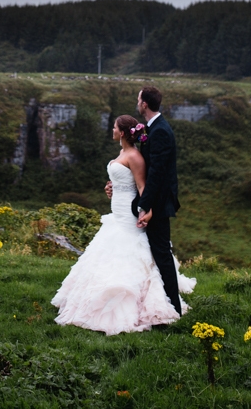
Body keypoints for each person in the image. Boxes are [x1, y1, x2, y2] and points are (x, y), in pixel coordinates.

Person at [51, 113, 195, 335]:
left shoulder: (135, 156)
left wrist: (146, 210)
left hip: (128, 213)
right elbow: (121, 180)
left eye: (115, 127)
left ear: (123, 132)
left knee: (127, 250)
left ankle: (130, 302)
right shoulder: (122, 153)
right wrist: (111, 188)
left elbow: (142, 187)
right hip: (116, 209)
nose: (112, 130)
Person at [131, 85, 182, 316]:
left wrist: (145, 205)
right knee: (158, 252)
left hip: (159, 203)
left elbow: (157, 173)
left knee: (161, 252)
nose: (137, 101)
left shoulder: (160, 131)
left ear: (144, 104)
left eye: (138, 99)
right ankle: (162, 301)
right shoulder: (153, 128)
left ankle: (173, 307)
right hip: (156, 199)